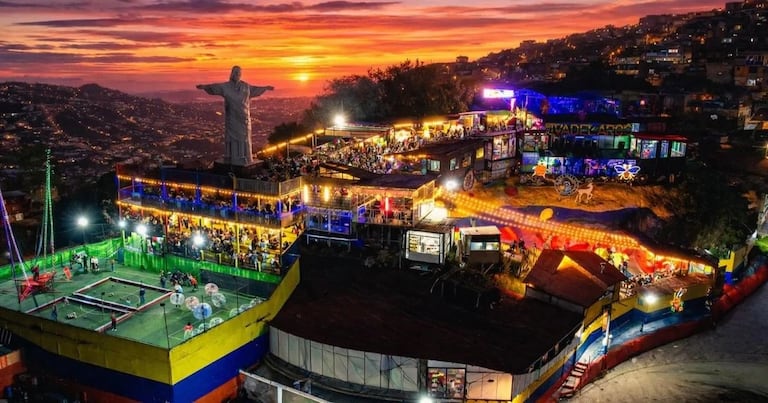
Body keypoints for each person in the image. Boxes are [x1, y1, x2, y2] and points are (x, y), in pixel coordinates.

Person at [196, 66, 274, 166]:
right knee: (232, 137)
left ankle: (244, 156)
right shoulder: (226, 86)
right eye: (236, 72)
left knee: (244, 137)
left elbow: (255, 89)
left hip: (244, 117)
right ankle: (231, 157)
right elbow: (216, 87)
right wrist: (205, 87)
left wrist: (265, 88)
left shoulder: (245, 86)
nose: (237, 75)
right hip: (232, 117)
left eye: (239, 73)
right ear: (232, 73)